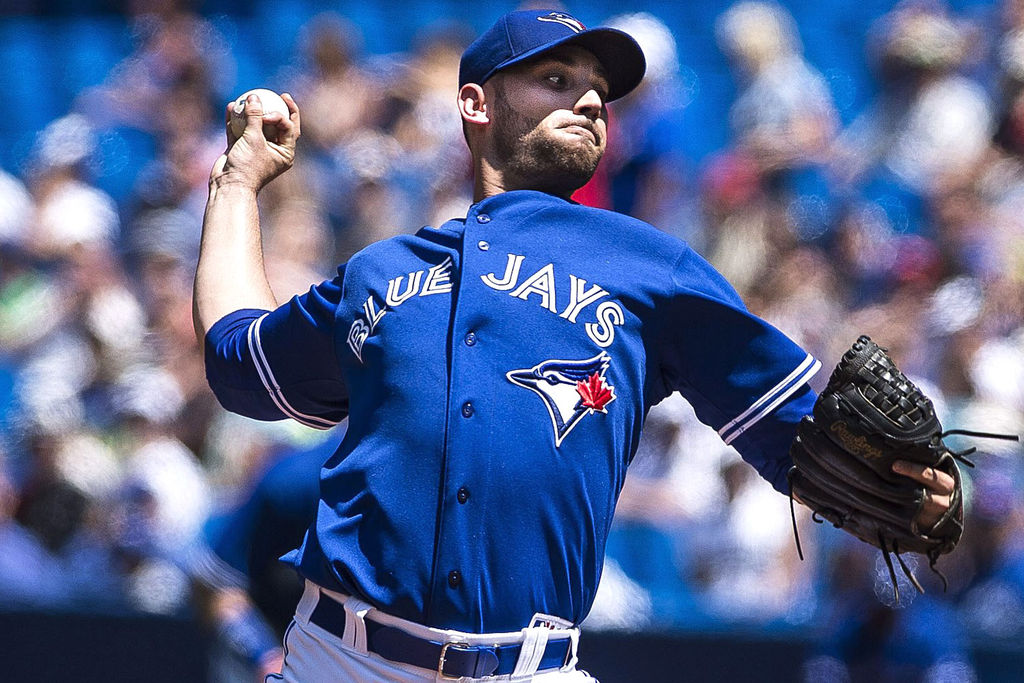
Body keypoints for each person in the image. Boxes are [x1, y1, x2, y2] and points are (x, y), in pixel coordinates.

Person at [193, 9, 957, 682]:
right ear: (476, 103)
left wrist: (902, 489)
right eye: (557, 79)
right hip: (342, 660)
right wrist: (237, 181)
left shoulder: (650, 265)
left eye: (598, 91)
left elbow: (800, 437)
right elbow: (237, 359)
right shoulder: (381, 272)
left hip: (529, 665)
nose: (590, 100)